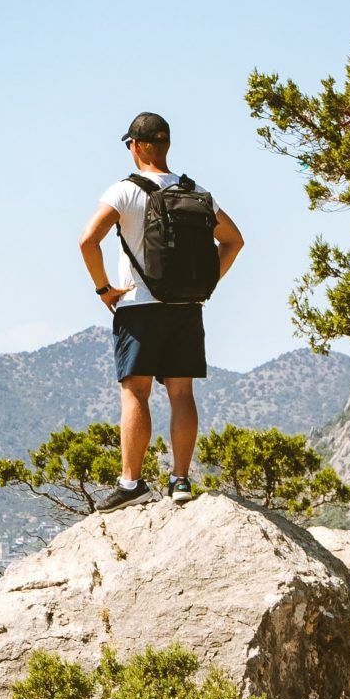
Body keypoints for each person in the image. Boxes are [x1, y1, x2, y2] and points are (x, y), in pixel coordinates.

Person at [76, 111, 244, 505]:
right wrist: (207, 283)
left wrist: (104, 289)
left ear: (137, 145)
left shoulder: (123, 191)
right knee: (182, 394)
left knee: (135, 393)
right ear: (165, 146)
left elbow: (87, 241)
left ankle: (131, 484)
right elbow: (234, 241)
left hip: (139, 306)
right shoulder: (197, 192)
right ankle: (181, 481)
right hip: (186, 307)